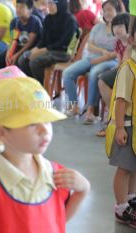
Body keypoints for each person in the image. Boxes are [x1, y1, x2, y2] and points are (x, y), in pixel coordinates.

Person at [0, 76, 90, 233]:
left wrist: (83, 190)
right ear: (1, 133)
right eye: (32, 124)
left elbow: (58, 221)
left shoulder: (56, 174)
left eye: (46, 121)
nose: (44, 130)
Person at [62, 0, 120, 123]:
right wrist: (102, 51)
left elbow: (118, 51)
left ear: (117, 11)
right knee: (67, 73)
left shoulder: (119, 28)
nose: (106, 13)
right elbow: (90, 46)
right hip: (92, 57)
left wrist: (104, 56)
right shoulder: (98, 27)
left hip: (111, 60)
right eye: (104, 11)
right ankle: (74, 106)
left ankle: (90, 110)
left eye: (110, 10)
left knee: (94, 73)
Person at [105, 17, 136, 229]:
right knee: (124, 168)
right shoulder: (128, 68)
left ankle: (132, 199)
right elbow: (121, 100)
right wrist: (120, 127)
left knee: (134, 167)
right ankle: (121, 207)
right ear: (132, 39)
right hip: (127, 125)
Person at [18, 0, 77, 84]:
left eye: (53, 3)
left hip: (63, 52)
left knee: (35, 62)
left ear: (60, 4)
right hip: (49, 50)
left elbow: (64, 43)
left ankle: (42, 88)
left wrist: (44, 50)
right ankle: (33, 84)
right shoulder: (48, 18)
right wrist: (35, 49)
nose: (50, 6)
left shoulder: (70, 20)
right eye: (48, 3)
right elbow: (43, 40)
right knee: (23, 59)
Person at [97, 12, 129, 137]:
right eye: (115, 26)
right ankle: (113, 116)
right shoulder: (118, 42)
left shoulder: (133, 40)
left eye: (120, 26)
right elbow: (120, 61)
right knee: (102, 80)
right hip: (123, 70)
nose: (117, 29)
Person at [0, 0, 42, 69]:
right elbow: (12, 40)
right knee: (1, 58)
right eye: (17, 7)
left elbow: (29, 44)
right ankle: (4, 78)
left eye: (22, 7)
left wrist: (16, 55)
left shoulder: (35, 21)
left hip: (30, 48)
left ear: (30, 10)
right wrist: (8, 53)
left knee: (19, 60)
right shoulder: (14, 22)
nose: (18, 9)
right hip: (17, 47)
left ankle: (21, 79)